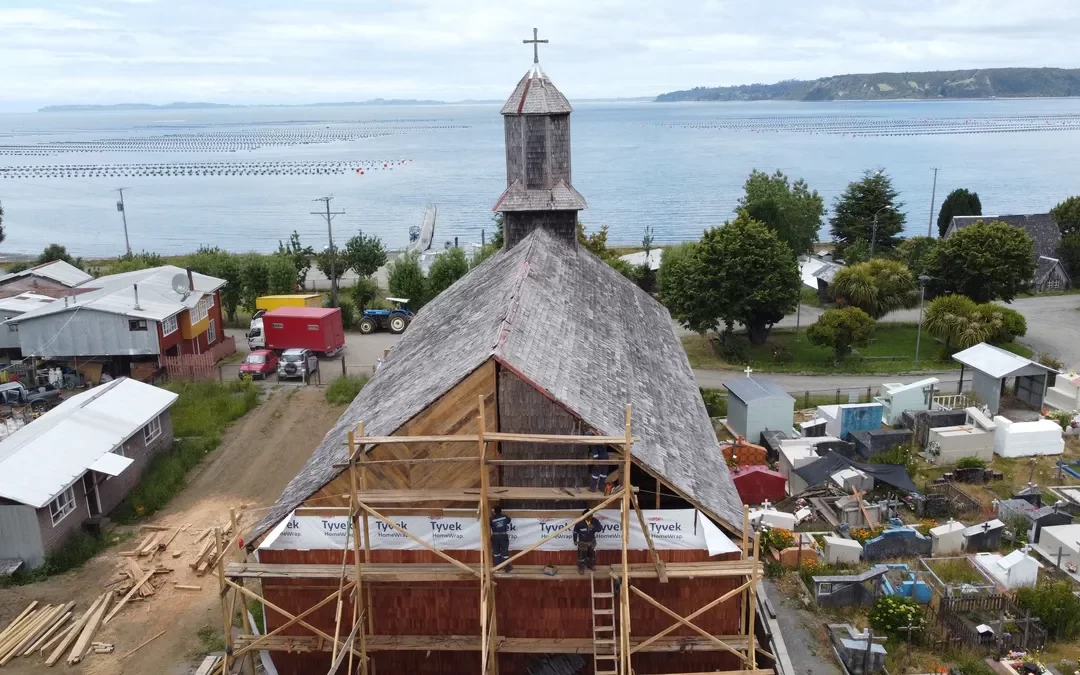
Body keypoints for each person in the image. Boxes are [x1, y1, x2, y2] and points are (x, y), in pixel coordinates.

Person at [573, 509, 600, 573]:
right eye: (589, 516)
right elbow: (575, 532)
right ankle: (581, 568)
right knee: (581, 557)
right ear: (584, 516)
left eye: (591, 515)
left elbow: (599, 529)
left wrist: (594, 527)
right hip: (582, 542)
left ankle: (590, 565)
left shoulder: (595, 521)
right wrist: (574, 540)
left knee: (591, 555)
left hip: (591, 542)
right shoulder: (579, 522)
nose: (591, 517)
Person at [490, 506, 512, 572]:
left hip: (495, 536)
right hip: (503, 535)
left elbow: (490, 525)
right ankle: (507, 568)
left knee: (496, 552)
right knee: (505, 552)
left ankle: (497, 567)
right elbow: (509, 521)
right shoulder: (505, 517)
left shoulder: (491, 519)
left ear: (494, 511)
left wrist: (493, 516)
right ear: (501, 511)